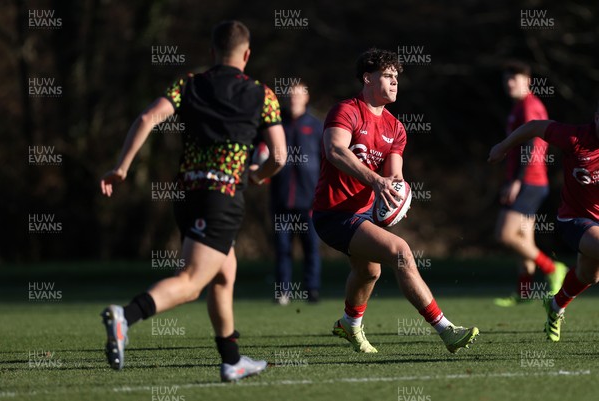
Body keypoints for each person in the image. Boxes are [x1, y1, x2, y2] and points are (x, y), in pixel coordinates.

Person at [99, 20, 286, 381]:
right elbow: (279, 155)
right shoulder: (262, 94)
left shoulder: (189, 82)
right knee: (191, 282)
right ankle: (126, 316)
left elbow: (147, 117)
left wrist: (121, 167)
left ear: (213, 52)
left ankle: (231, 359)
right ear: (247, 54)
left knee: (223, 273)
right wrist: (258, 176)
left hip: (185, 195)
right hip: (222, 197)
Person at [311, 48, 479, 354]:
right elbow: (335, 151)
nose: (394, 82)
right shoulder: (347, 111)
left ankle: (349, 324)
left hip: (363, 215)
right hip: (333, 213)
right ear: (367, 78)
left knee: (369, 272)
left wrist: (397, 190)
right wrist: (376, 182)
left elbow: (394, 175)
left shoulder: (396, 129)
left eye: (396, 77)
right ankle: (446, 330)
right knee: (401, 252)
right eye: (387, 76)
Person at [488, 105, 599, 342]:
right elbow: (535, 127)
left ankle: (555, 305)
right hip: (574, 220)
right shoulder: (575, 136)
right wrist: (503, 146)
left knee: (589, 276)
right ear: (596, 118)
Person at [494, 61, 567, 307]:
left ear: (528, 81)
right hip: (528, 179)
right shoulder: (519, 107)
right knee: (524, 239)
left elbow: (531, 143)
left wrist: (517, 180)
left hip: (530, 180)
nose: (509, 84)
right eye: (506, 80)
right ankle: (524, 292)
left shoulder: (529, 106)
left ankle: (554, 268)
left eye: (514, 79)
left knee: (505, 235)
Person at [270, 83, 323, 305]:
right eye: (290, 96)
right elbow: (261, 152)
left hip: (309, 200)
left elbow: (325, 160)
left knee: (311, 248)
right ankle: (283, 291)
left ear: (306, 98)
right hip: (280, 199)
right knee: (282, 249)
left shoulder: (316, 126)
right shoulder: (276, 124)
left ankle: (312, 290)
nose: (293, 100)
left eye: (297, 96)